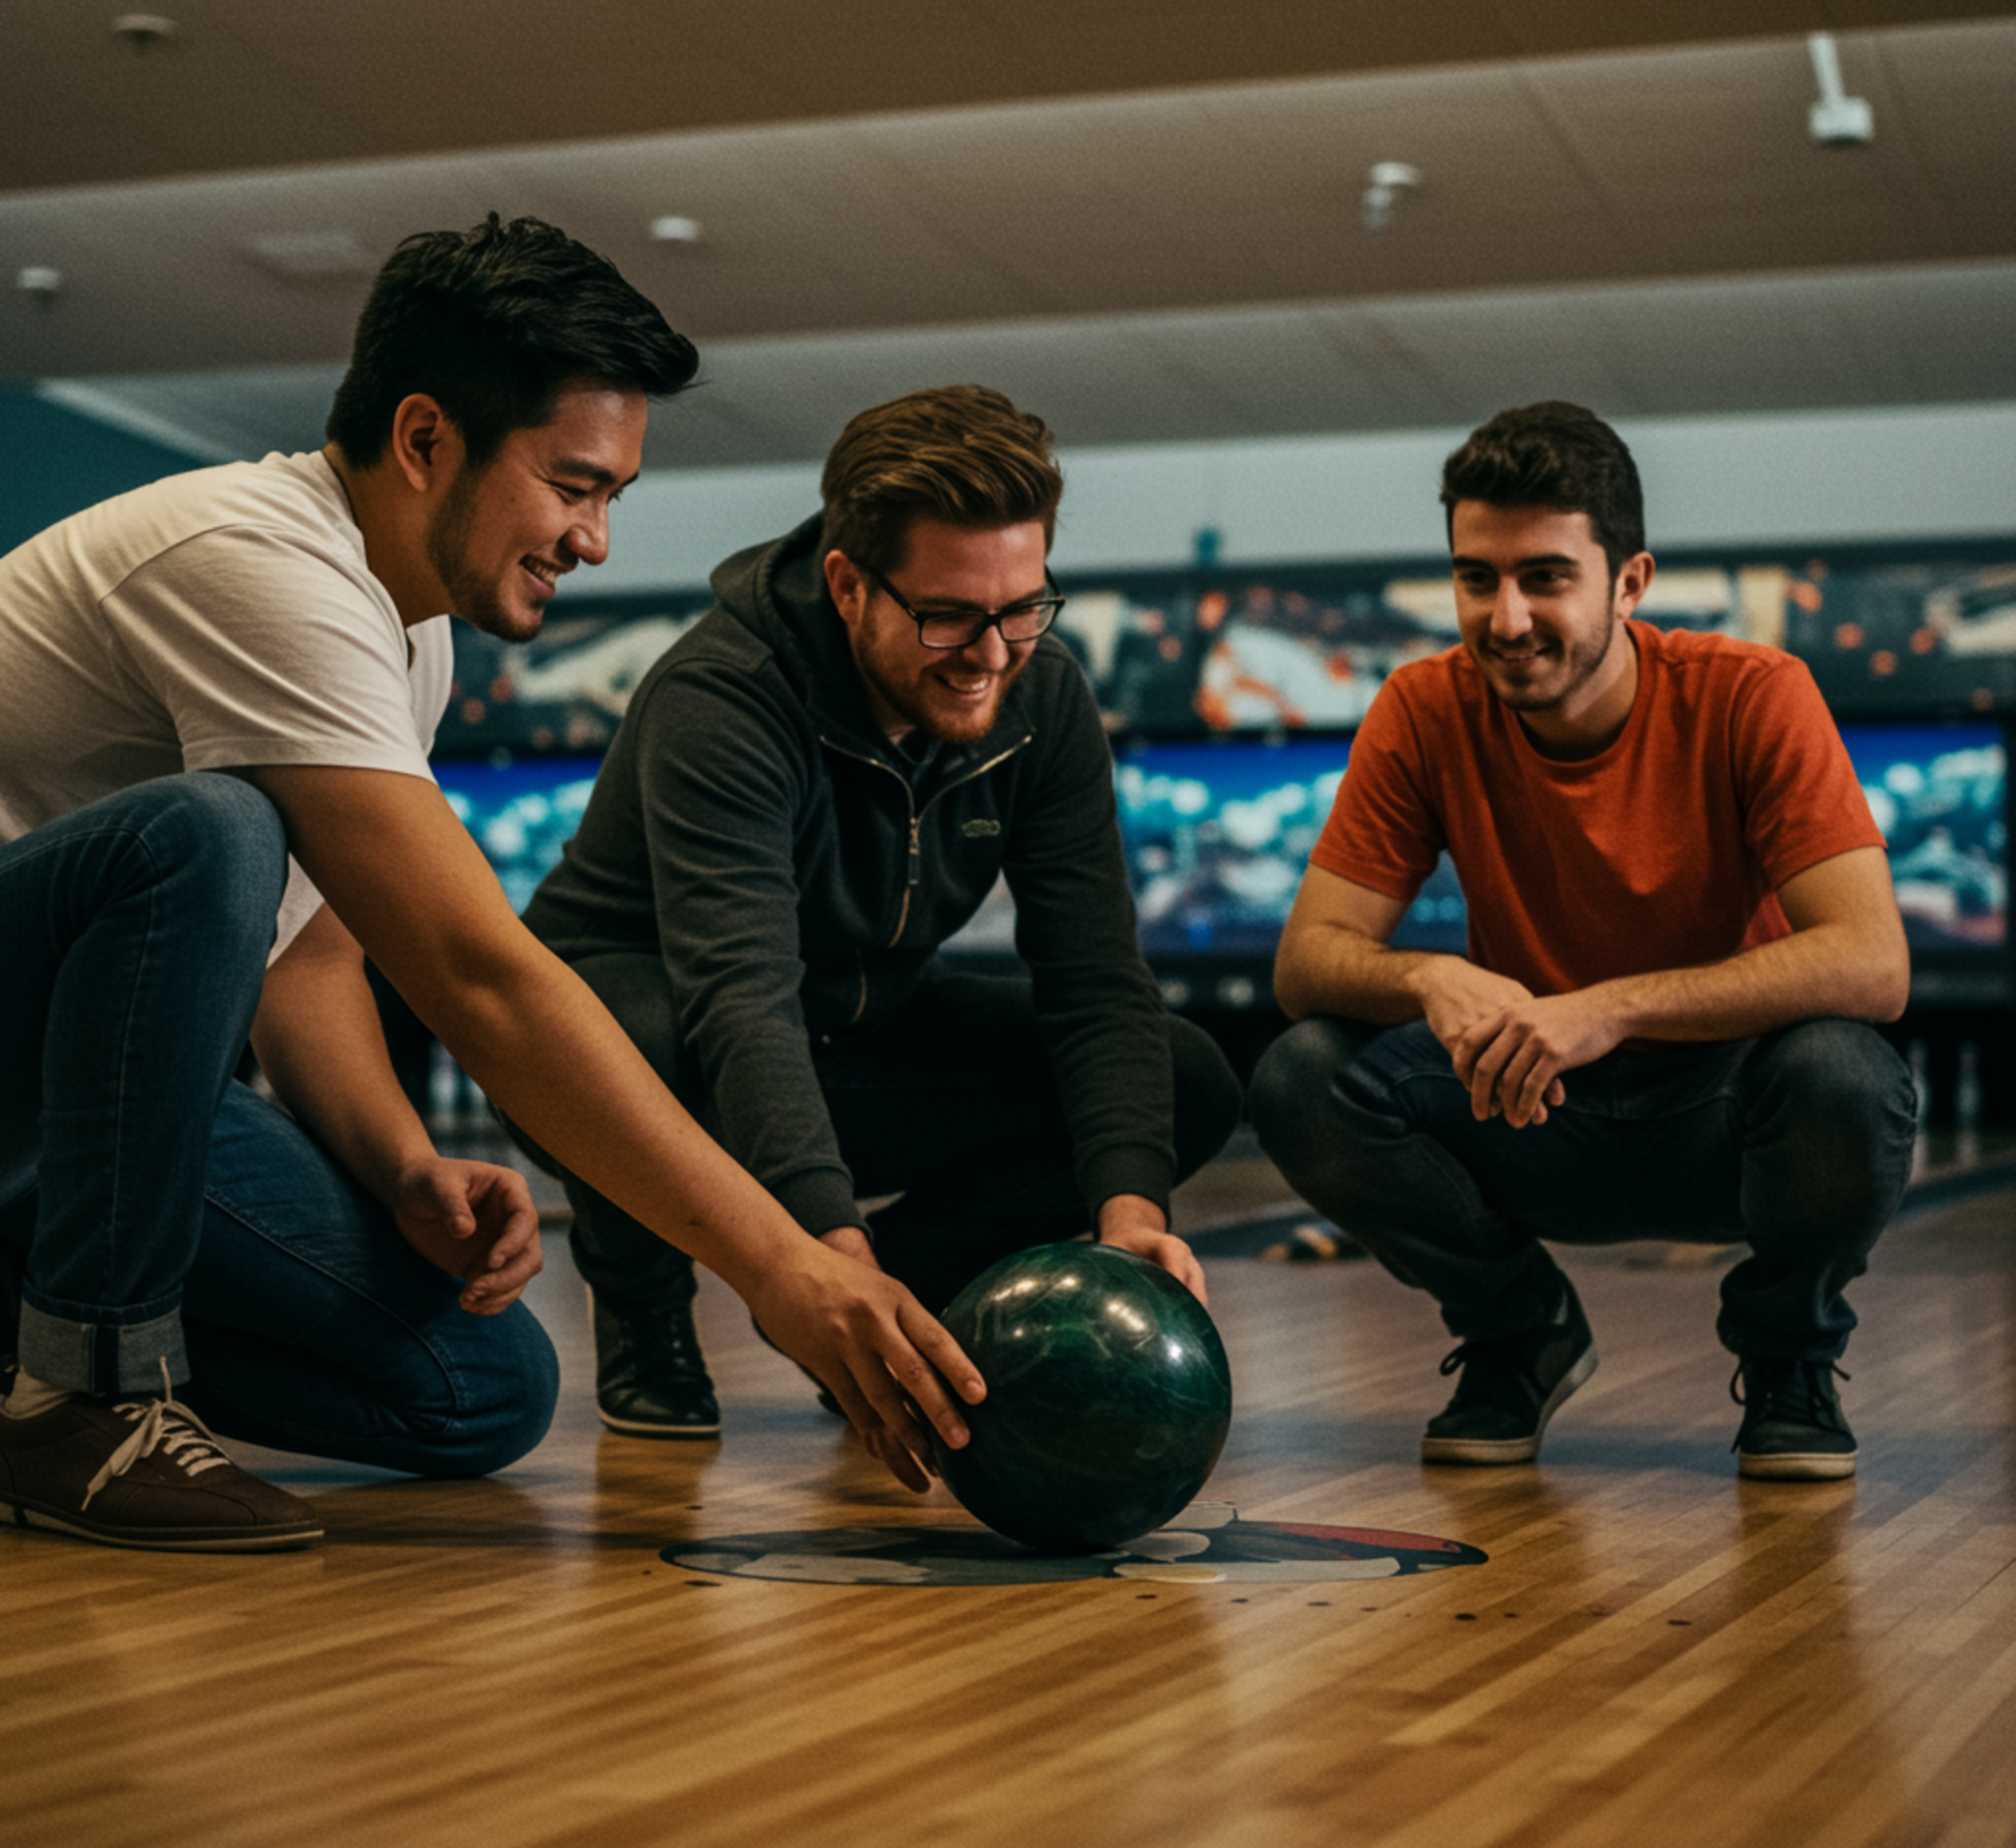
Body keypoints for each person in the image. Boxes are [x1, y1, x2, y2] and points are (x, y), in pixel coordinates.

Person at [0, 217, 983, 1554]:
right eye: (574, 486)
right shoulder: (248, 560)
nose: (592, 540)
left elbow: (313, 962)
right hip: (23, 1060)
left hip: (81, 1103)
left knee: (483, 1391)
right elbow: (478, 978)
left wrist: (404, 1166)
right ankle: (82, 1395)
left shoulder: (406, 637)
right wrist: (781, 1266)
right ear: (424, 441)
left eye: (612, 499)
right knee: (209, 834)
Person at [510, 383, 1243, 1437]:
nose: (992, 654)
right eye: (949, 616)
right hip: (637, 1044)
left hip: (858, 1024)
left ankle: (900, 1313)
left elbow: (1094, 977)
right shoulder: (724, 699)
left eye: (1022, 608)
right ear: (850, 587)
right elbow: (740, 997)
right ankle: (640, 1304)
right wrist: (821, 1252)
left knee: (1186, 1082)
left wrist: (1130, 1214)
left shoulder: (1043, 700)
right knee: (645, 1029)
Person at [1248, 401, 1916, 1483]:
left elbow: (1871, 962)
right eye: (1477, 578)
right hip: (1529, 1109)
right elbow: (1307, 961)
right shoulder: (1424, 709)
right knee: (1299, 1075)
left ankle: (1791, 1358)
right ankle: (1521, 1335)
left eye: (1545, 577)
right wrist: (1434, 975)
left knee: (1848, 1073)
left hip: (1722, 1123)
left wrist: (1606, 1008)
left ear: (1630, 582)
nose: (1505, 617)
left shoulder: (1754, 696)